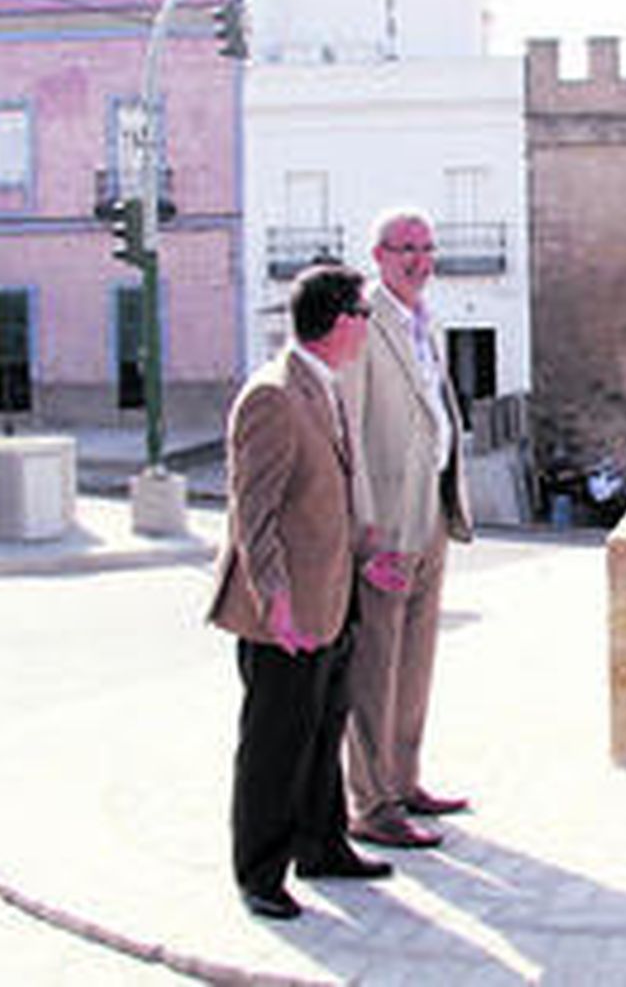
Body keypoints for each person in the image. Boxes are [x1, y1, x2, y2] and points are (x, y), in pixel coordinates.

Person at [207, 264, 396, 922]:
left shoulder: (323, 385)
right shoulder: (273, 396)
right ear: (341, 321)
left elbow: (322, 501)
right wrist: (275, 602)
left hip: (331, 597)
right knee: (276, 742)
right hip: (284, 611)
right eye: (365, 315)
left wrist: (367, 557)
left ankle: (322, 845)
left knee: (323, 728)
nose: (369, 327)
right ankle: (260, 871)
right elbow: (252, 513)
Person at [341, 207, 474, 851]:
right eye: (406, 249)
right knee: (375, 666)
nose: (420, 260)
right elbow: (350, 430)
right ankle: (370, 802)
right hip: (387, 524)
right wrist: (364, 533)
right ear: (378, 255)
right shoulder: (364, 323)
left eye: (427, 248)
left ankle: (403, 779)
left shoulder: (425, 319)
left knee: (415, 660)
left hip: (432, 511)